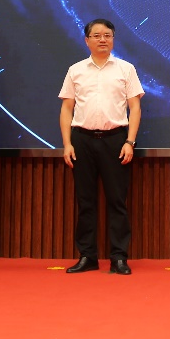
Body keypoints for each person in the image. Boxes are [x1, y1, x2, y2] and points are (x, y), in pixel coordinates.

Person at [60, 18, 144, 275]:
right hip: (82, 140)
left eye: (107, 35)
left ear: (113, 39)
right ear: (87, 40)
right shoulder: (76, 70)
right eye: (96, 35)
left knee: (117, 201)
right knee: (85, 201)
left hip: (115, 140)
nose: (102, 39)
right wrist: (67, 144)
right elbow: (66, 108)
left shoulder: (125, 69)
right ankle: (88, 256)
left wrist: (130, 141)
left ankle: (119, 257)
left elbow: (135, 107)